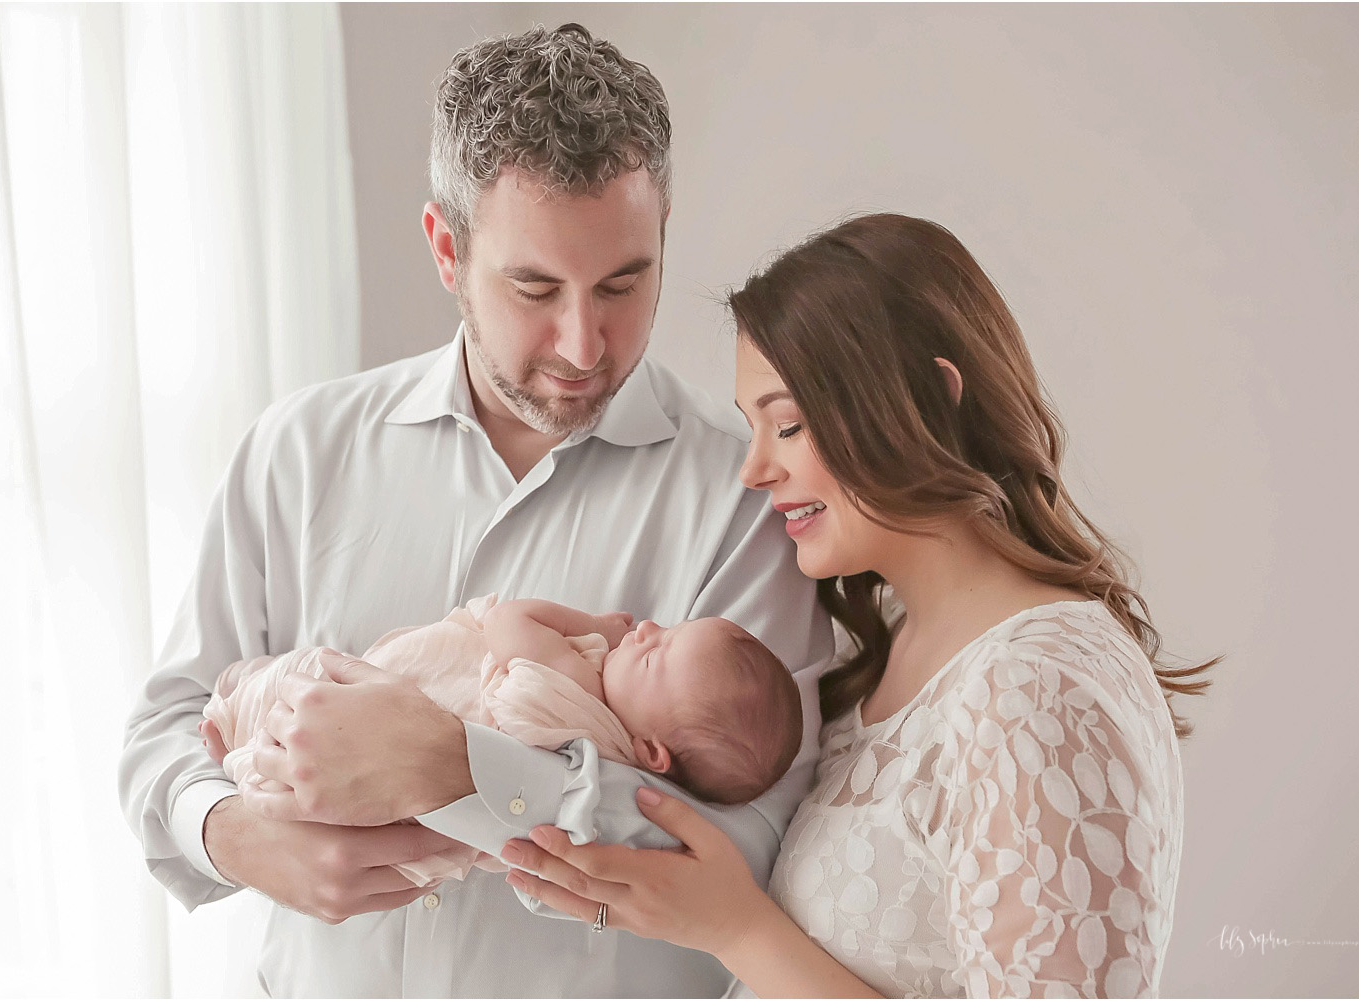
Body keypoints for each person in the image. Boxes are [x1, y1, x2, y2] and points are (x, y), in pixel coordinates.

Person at [117, 23, 832, 998]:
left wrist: (463, 768)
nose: (585, 341)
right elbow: (166, 722)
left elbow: (754, 847)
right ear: (446, 248)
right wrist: (234, 835)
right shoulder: (300, 451)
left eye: (624, 282)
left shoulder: (744, 497)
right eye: (536, 287)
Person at [500, 213, 1217, 998]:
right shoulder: (887, 662)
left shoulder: (1035, 685)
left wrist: (739, 928)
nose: (754, 470)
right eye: (753, 429)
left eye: (790, 423)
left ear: (933, 401)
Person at [202, 596, 801, 883]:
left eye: (654, 657)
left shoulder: (574, 686)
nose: (643, 630)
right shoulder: (606, 770)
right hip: (423, 831)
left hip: (378, 706)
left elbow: (509, 621)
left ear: (651, 752)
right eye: (665, 630)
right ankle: (240, 754)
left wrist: (590, 626)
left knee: (291, 685)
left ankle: (231, 712)